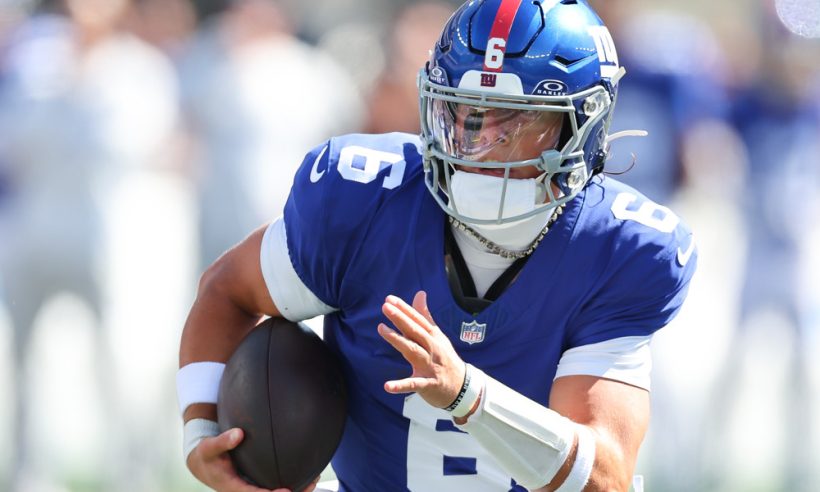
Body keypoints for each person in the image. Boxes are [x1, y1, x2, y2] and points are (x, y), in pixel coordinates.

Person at [177, 1, 697, 491]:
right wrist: (202, 433)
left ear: (579, 126)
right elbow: (227, 290)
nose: (479, 149)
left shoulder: (617, 246)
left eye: (515, 122)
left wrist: (469, 396)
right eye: (466, 116)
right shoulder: (362, 201)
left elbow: (605, 477)